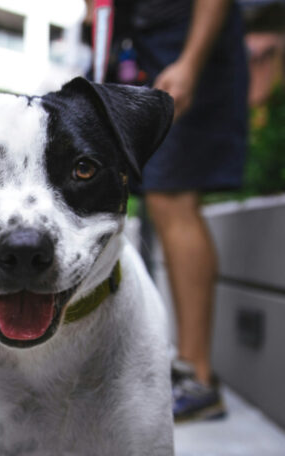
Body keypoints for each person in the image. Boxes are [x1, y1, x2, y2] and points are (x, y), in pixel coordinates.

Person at [85, 0, 249, 422]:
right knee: (126, 189)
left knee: (171, 196)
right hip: (136, 43)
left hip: (186, 43)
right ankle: (152, 365)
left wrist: (191, 62)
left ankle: (198, 378)